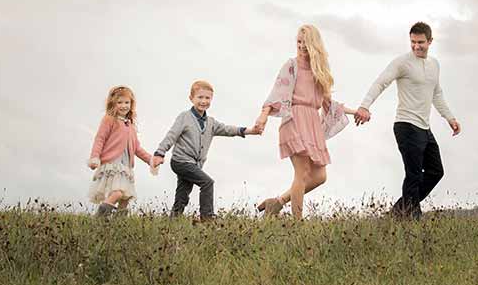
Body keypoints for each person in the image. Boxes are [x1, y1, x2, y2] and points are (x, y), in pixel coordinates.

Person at [355, 22, 462, 219]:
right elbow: (381, 82)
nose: (416, 46)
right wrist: (364, 106)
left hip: (424, 128)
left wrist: (450, 118)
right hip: (406, 125)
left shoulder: (434, 64)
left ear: (430, 41)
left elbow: (436, 93)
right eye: (412, 42)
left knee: (436, 171)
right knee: (413, 175)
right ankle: (412, 220)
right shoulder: (402, 63)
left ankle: (397, 212)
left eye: (420, 42)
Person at [254, 24, 353, 220]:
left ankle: (278, 202)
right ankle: (297, 224)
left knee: (319, 176)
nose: (301, 46)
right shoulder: (291, 65)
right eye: (298, 42)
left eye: (305, 42)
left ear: (314, 45)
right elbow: (276, 93)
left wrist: (355, 111)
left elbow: (328, 103)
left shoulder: (319, 71)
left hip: (312, 123)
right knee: (302, 172)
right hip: (294, 119)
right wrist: (263, 116)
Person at [151, 80, 263, 219]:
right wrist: (159, 153)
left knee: (183, 193)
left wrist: (251, 131)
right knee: (207, 182)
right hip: (180, 161)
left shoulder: (211, 122)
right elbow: (171, 135)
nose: (204, 101)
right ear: (191, 98)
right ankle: (207, 218)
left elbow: (227, 129)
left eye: (207, 98)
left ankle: (173, 219)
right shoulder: (184, 117)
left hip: (194, 164)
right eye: (200, 97)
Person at [87, 85, 155, 216]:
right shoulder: (109, 119)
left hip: (126, 166)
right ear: (113, 103)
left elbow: (137, 148)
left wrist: (150, 160)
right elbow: (99, 139)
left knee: (126, 198)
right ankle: (100, 217)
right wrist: (95, 157)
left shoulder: (130, 125)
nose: (124, 105)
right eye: (120, 102)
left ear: (131, 104)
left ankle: (119, 225)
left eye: (127, 102)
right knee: (118, 192)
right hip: (113, 164)